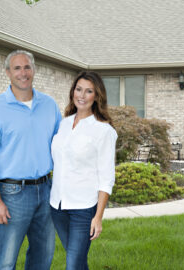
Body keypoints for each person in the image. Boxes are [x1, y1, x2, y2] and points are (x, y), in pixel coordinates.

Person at [0, 50, 62, 270]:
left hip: (46, 189)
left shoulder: (49, 105)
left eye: (27, 67)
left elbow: (61, 146)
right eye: (17, 68)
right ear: (8, 73)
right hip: (13, 194)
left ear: (34, 70)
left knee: (43, 257)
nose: (23, 73)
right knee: (4, 261)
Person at [50, 71, 118, 270]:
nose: (82, 95)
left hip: (84, 209)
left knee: (72, 265)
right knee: (78, 263)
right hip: (57, 206)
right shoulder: (63, 124)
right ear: (73, 92)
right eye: (78, 89)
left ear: (96, 96)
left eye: (89, 91)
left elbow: (107, 177)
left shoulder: (104, 131)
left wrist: (98, 217)